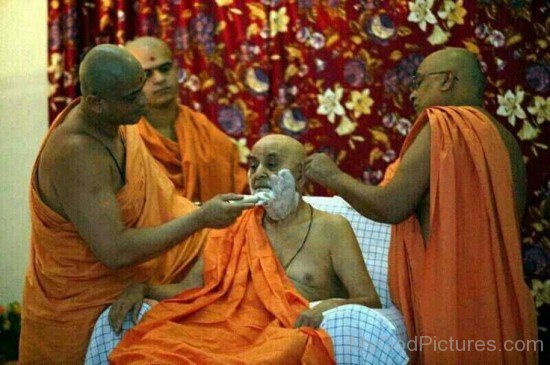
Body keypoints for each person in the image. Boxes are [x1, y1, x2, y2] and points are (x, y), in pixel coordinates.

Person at [19, 44, 256, 364]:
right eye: (131, 97)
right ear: (95, 103)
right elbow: (116, 252)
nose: (144, 100)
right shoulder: (76, 153)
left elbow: (159, 202)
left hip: (161, 267)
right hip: (85, 301)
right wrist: (201, 219)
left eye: (140, 87)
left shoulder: (114, 123)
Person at [305, 47, 538, 363]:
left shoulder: (444, 126)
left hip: (453, 299)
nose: (413, 95)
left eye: (419, 82)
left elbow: (391, 207)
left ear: (446, 81)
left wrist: (332, 176)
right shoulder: (507, 141)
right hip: (502, 301)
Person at [87, 134, 386, 364]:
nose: (258, 174)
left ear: (300, 177)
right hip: (226, 332)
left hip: (278, 335)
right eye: (253, 165)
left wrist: (324, 308)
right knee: (154, 349)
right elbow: (193, 291)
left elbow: (368, 299)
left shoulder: (331, 228)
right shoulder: (234, 222)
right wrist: (143, 289)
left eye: (271, 164)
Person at [125, 36, 248, 202]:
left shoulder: (202, 130)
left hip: (215, 227)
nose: (159, 79)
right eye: (146, 74)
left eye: (165, 68)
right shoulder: (124, 138)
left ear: (177, 70)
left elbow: (241, 192)